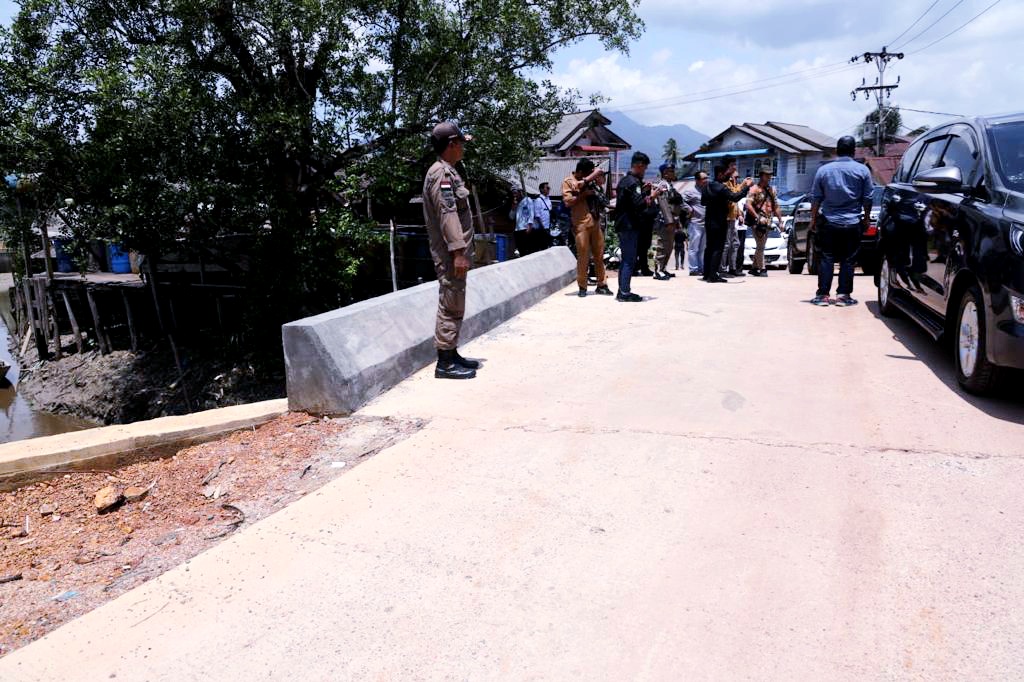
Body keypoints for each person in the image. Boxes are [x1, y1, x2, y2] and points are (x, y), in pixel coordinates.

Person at [422, 121, 479, 379]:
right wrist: (458, 252)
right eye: (461, 143)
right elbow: (447, 215)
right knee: (450, 302)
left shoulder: (449, 171)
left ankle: (451, 352)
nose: (463, 148)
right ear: (452, 144)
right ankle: (444, 363)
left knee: (455, 301)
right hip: (449, 253)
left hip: (454, 252)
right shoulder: (441, 174)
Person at [808, 135, 874, 306]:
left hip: (829, 222)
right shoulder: (863, 170)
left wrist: (813, 220)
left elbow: (816, 198)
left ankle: (823, 296)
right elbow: (868, 198)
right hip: (852, 222)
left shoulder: (823, 170)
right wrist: (866, 219)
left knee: (826, 257)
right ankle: (843, 296)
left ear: (837, 151)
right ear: (853, 151)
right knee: (848, 259)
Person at [562, 159, 613, 297]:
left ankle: (602, 285)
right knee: (583, 257)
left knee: (599, 256)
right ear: (580, 172)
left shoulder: (590, 181)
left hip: (595, 222)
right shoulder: (568, 181)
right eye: (587, 173)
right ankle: (582, 287)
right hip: (581, 224)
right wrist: (583, 195)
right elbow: (568, 202)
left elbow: (602, 186)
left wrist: (598, 176)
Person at [614, 151, 659, 301]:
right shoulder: (633, 183)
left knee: (627, 259)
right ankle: (624, 293)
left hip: (624, 224)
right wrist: (651, 196)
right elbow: (638, 204)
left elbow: (630, 201)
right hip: (629, 225)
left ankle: (623, 290)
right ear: (639, 166)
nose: (645, 171)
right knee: (629, 259)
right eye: (644, 168)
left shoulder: (625, 181)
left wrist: (644, 191)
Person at [701, 162, 753, 283]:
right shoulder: (721, 187)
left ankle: (707, 274)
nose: (728, 177)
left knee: (709, 247)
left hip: (709, 220)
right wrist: (746, 187)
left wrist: (714, 201)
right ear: (720, 174)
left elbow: (703, 202)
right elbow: (735, 197)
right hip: (719, 221)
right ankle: (713, 275)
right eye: (726, 174)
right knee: (718, 248)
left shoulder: (707, 186)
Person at [651, 163, 686, 280]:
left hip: (672, 219)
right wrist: (669, 221)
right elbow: (663, 204)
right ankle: (657, 270)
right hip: (665, 220)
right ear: (665, 173)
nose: (673, 173)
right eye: (671, 171)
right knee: (662, 245)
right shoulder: (662, 185)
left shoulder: (670, 185)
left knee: (669, 246)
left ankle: (663, 268)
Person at [747, 170, 781, 276]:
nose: (769, 177)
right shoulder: (754, 189)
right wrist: (757, 217)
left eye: (770, 175)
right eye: (767, 175)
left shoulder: (771, 190)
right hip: (757, 222)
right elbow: (748, 205)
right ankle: (762, 268)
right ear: (761, 176)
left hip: (768, 221)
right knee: (761, 245)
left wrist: (780, 220)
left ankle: (754, 268)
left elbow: (776, 206)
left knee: (761, 245)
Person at [683, 171, 708, 276]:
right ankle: (693, 269)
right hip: (695, 223)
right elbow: (681, 200)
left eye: (706, 178)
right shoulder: (691, 191)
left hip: (705, 223)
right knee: (694, 248)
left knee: (702, 248)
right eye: (703, 178)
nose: (706, 180)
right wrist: (689, 209)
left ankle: (701, 268)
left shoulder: (707, 190)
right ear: (697, 180)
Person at [532, 182, 553, 253]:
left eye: (549, 188)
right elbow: (537, 216)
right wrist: (543, 228)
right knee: (538, 249)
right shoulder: (538, 200)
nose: (549, 189)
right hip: (540, 229)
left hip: (547, 228)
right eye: (547, 188)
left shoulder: (549, 200)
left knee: (545, 248)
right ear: (541, 189)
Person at [514, 188, 535, 256]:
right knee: (520, 250)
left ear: (520, 192)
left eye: (516, 193)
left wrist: (530, 225)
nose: (515, 195)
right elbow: (511, 217)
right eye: (514, 193)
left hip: (525, 228)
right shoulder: (516, 203)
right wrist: (513, 207)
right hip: (517, 229)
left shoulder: (528, 200)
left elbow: (531, 213)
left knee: (527, 249)